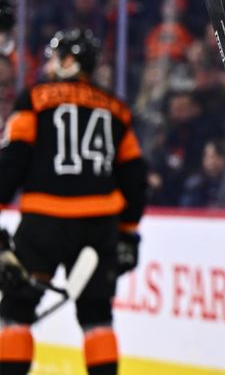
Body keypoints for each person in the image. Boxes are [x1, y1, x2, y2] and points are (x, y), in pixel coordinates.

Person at [0, 29, 147, 375]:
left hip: (43, 225)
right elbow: (134, 178)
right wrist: (126, 232)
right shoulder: (118, 109)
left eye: (55, 58)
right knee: (97, 317)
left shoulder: (34, 98)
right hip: (99, 228)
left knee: (16, 312)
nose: (51, 65)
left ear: (69, 60)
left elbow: (13, 163)